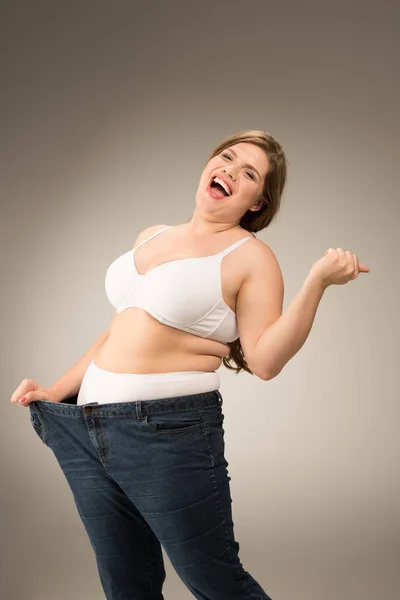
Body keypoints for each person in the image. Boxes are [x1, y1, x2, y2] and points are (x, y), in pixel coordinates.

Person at [10, 129, 370, 600]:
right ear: (208, 164)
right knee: (126, 584)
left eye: (249, 174)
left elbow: (264, 361)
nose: (229, 172)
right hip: (87, 428)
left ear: (257, 202)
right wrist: (56, 391)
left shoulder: (251, 257)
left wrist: (316, 283)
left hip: (167, 434)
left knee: (217, 582)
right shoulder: (152, 235)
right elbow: (114, 334)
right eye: (226, 158)